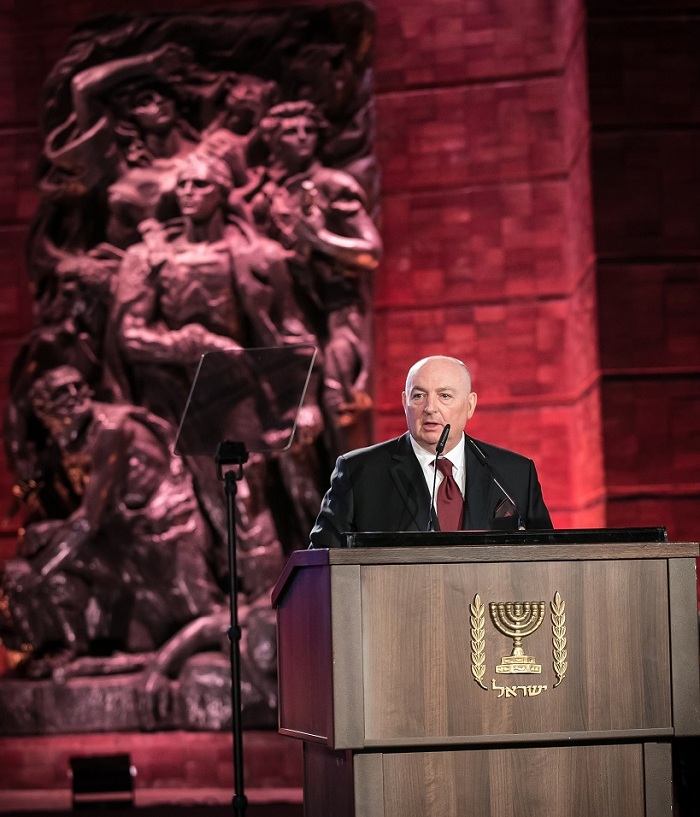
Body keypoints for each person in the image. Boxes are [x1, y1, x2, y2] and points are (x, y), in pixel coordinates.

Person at [309, 355, 552, 548]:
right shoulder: (359, 473)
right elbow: (322, 563)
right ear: (404, 402)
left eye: (444, 396)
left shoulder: (514, 474)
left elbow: (548, 556)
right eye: (419, 396)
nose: (430, 408)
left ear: (470, 405)